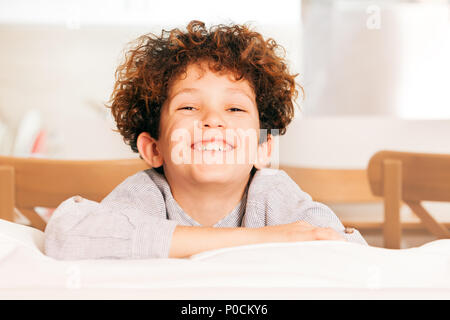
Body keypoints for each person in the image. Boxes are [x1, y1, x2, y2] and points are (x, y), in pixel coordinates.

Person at [44, 20, 367, 260]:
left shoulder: (271, 192)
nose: (213, 120)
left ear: (261, 149)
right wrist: (265, 239)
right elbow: (69, 236)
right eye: (189, 106)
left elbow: (346, 250)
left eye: (235, 108)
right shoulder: (146, 193)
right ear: (154, 149)